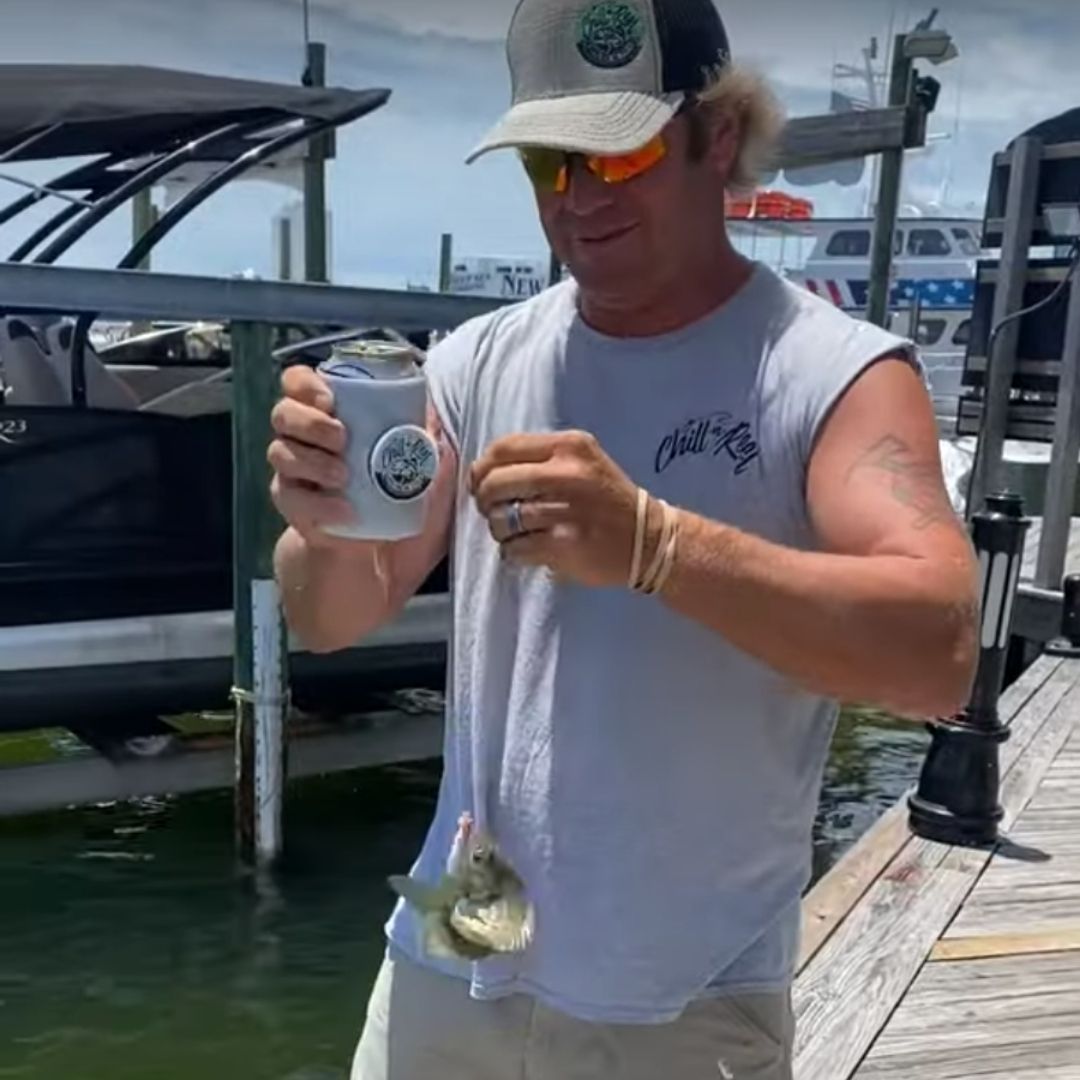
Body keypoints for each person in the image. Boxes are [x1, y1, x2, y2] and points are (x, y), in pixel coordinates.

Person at [268, 0, 981, 1075]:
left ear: (720, 135)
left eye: (621, 150)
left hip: (680, 996)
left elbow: (939, 656)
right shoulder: (472, 359)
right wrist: (319, 521)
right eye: (549, 163)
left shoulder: (837, 373)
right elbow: (330, 618)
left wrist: (654, 544)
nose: (580, 196)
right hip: (454, 945)